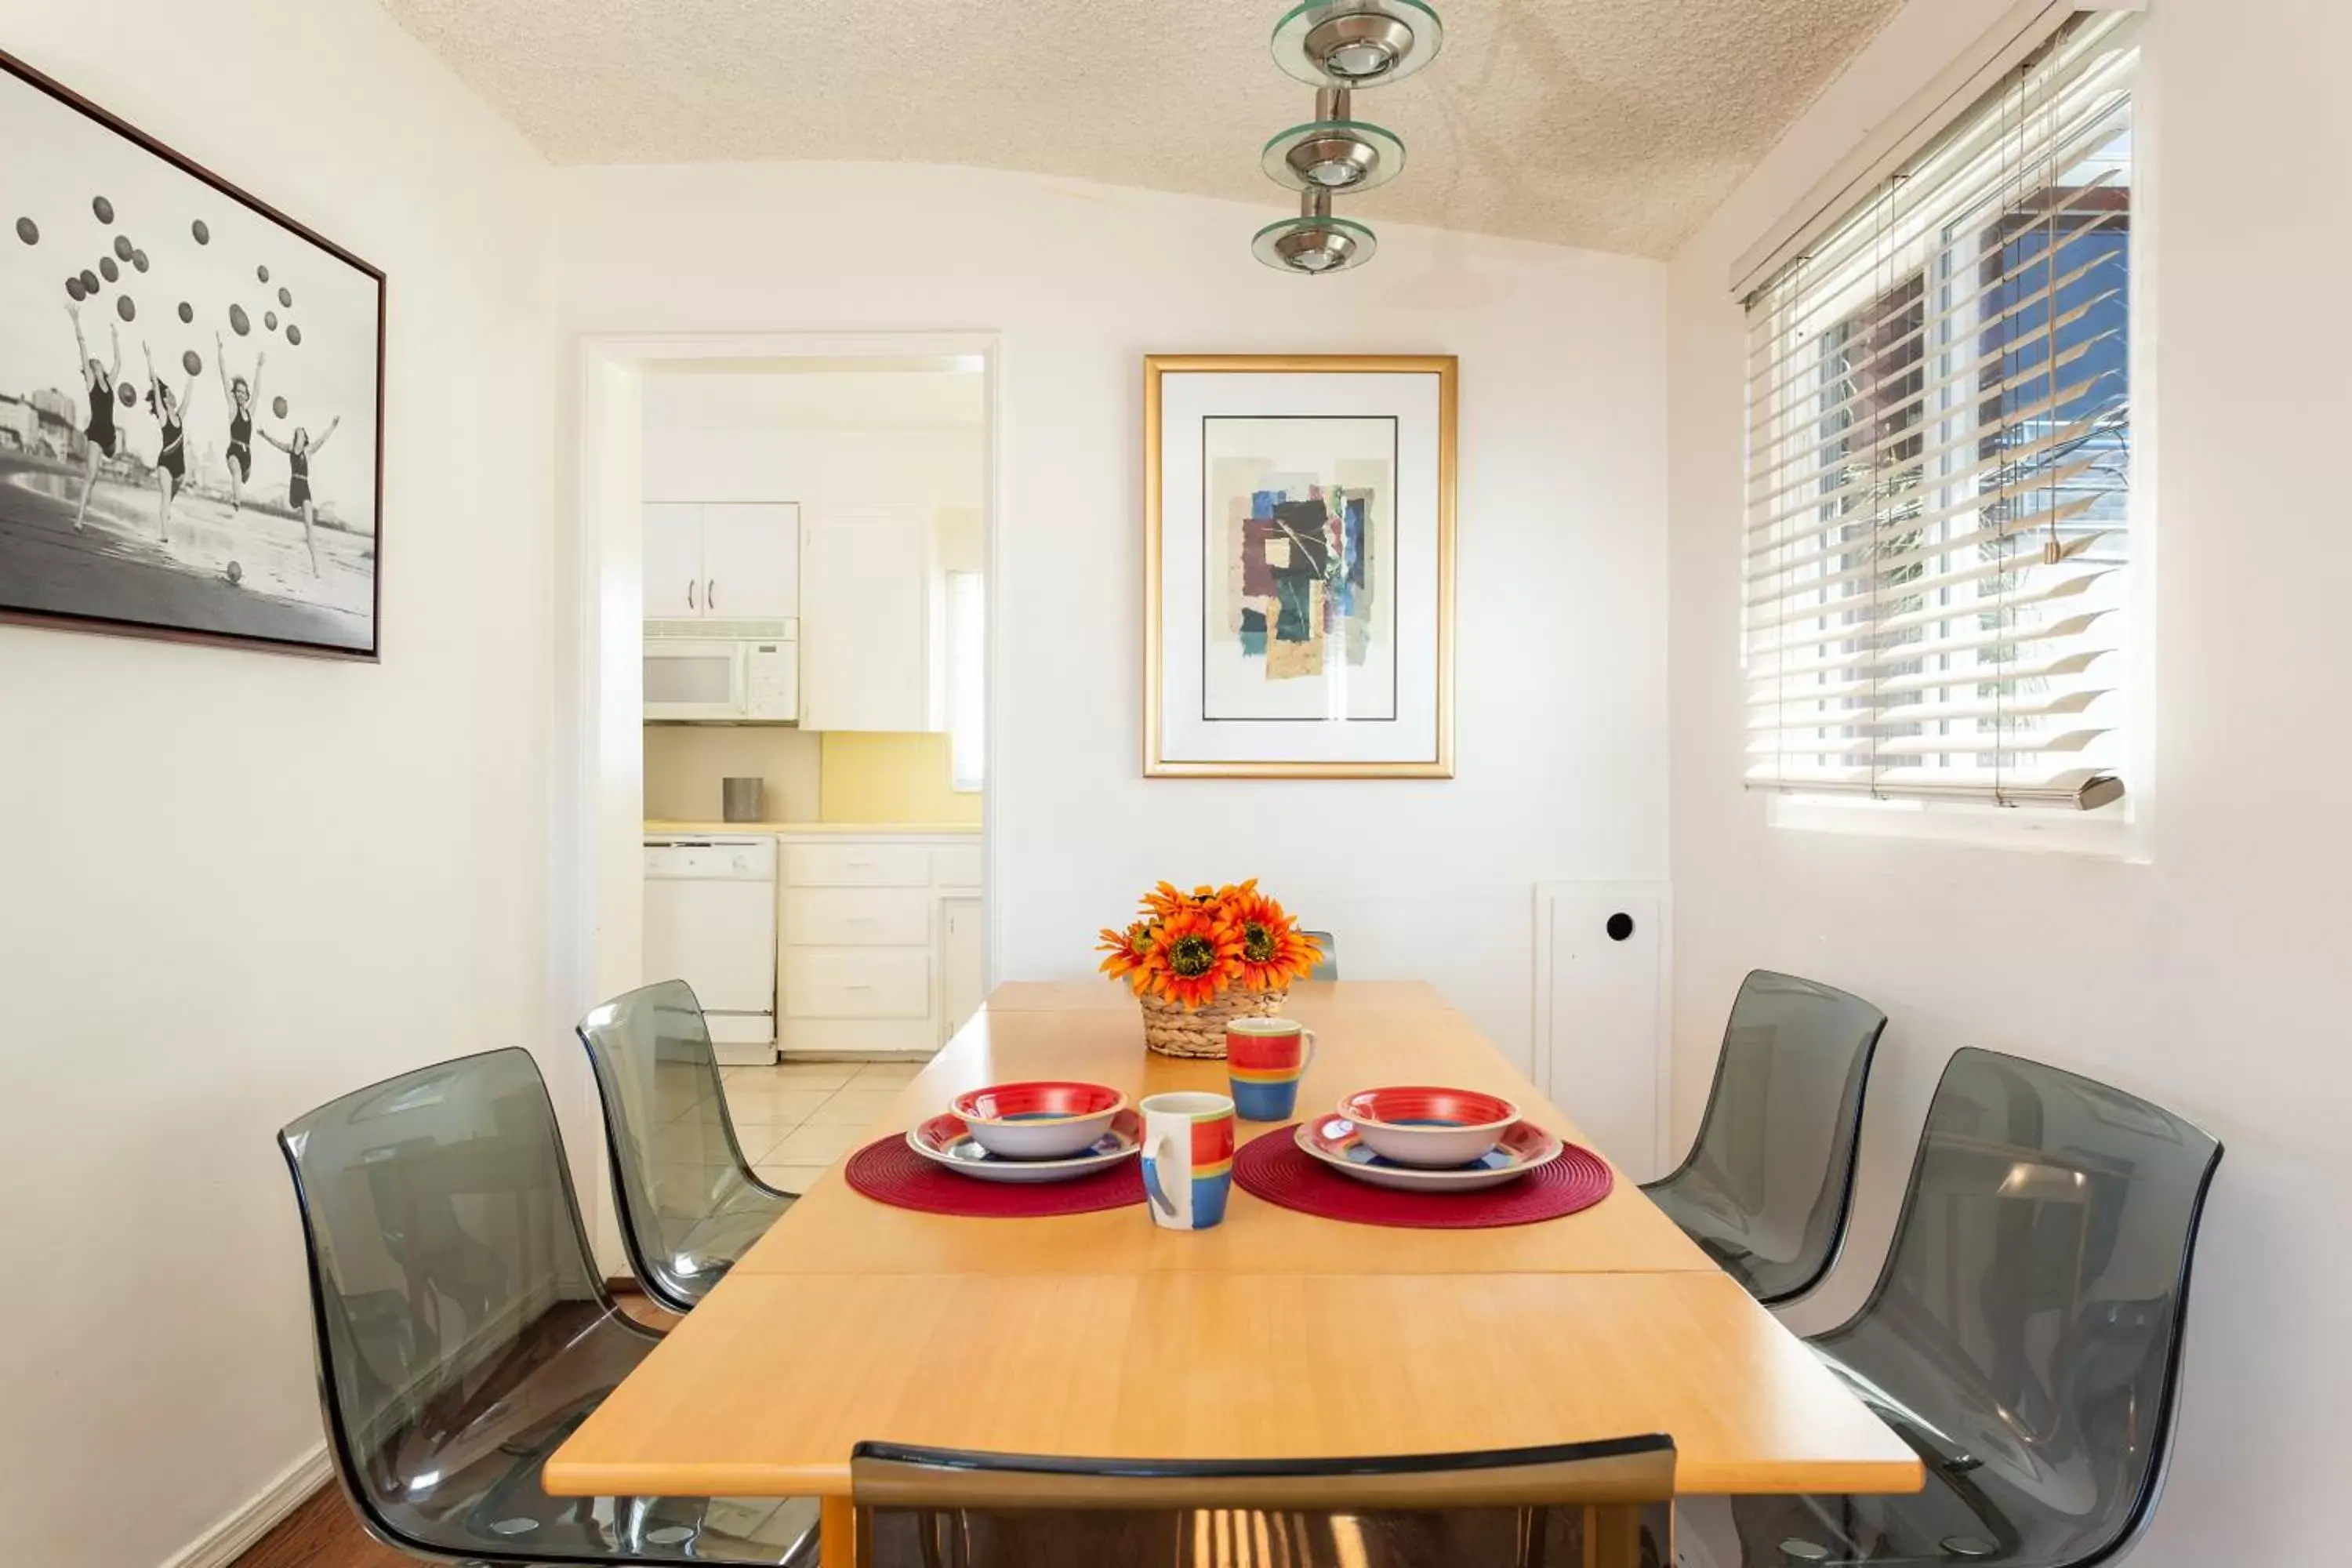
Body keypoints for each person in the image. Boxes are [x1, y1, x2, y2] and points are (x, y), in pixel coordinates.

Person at [257, 415, 339, 573]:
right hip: (294, 488)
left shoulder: (308, 451)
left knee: (309, 525)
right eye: (298, 431)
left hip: (304, 488)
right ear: (296, 437)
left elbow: (322, 440)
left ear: (305, 437)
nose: (299, 432)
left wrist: (333, 426)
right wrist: (264, 434)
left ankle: (316, 565)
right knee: (289, 511)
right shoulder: (290, 448)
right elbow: (276, 443)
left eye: (302, 431)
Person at [67, 303, 121, 530]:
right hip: (97, 435)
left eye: (97, 362)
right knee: (91, 475)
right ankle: (79, 520)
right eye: (92, 363)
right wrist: (76, 321)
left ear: (102, 368)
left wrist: (115, 337)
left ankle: (88, 492)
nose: (95, 362)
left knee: (106, 460)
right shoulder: (91, 384)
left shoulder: (109, 382)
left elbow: (119, 362)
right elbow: (82, 346)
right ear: (91, 369)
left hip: (111, 437)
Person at [141, 342, 196, 541]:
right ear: (164, 400)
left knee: (169, 497)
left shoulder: (179, 415)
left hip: (180, 469)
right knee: (165, 496)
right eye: (169, 393)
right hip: (165, 463)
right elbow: (156, 385)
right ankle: (164, 534)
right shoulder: (164, 416)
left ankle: (167, 511)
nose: (172, 394)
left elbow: (188, 399)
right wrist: (149, 359)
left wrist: (192, 374)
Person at [213, 332, 263, 514]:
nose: (241, 394)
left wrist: (259, 367)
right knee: (236, 472)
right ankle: (236, 501)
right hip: (234, 452)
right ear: (234, 394)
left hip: (247, 455)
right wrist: (220, 353)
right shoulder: (232, 408)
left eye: (244, 392)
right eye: (238, 392)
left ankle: (238, 491)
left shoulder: (249, 411)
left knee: (244, 478)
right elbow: (223, 375)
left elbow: (257, 390)